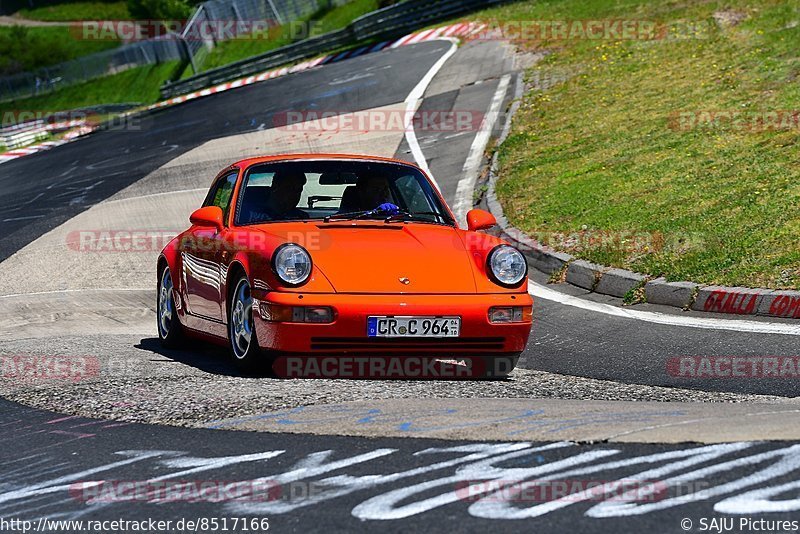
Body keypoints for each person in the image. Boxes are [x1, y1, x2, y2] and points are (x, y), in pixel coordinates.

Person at [243, 169, 308, 222]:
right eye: (290, 189)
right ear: (275, 187)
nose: (295, 194)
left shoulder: (301, 217)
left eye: (299, 190)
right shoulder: (251, 214)